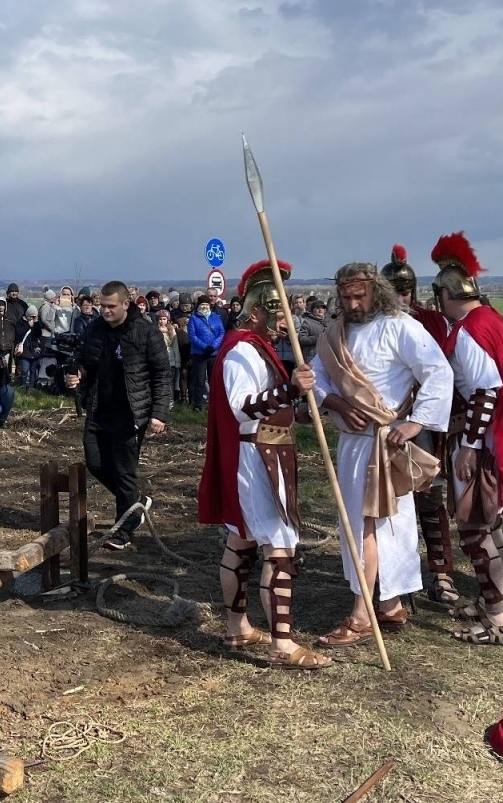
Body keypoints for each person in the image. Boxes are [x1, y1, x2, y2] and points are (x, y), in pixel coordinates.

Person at [197, 260, 331, 670]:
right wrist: (288, 389)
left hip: (263, 453)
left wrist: (295, 402)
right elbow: (243, 409)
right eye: (275, 316)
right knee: (279, 544)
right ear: (256, 312)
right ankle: (283, 644)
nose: (280, 324)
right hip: (255, 458)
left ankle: (238, 627)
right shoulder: (240, 350)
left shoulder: (255, 346)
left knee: (242, 540)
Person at [311, 261, 453, 647]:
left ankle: (364, 614)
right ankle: (388, 605)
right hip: (353, 444)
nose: (353, 304)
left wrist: (418, 423)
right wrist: (337, 404)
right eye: (346, 297)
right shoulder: (335, 334)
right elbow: (317, 377)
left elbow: (438, 372)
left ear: (376, 291)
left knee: (380, 524)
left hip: (388, 442)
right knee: (361, 523)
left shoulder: (401, 326)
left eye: (360, 296)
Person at [427, 234, 503, 646]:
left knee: (476, 527)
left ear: (446, 292)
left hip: (482, 441)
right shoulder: (490, 320)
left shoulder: (469, 330)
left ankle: (498, 618)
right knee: (489, 526)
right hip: (493, 438)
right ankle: (490, 601)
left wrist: (471, 448)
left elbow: (487, 389)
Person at [66, 281, 174, 550]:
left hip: (130, 413)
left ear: (126, 304)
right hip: (98, 409)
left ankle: (123, 531)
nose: (105, 311)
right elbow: (85, 361)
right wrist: (77, 374)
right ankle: (136, 504)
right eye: (102, 306)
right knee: (95, 463)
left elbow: (162, 374)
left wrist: (158, 414)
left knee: (125, 471)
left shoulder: (145, 332)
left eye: (110, 306)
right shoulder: (95, 330)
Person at [382, 243, 460, 605]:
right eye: (396, 290)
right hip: (388, 421)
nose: (403, 296)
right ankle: (398, 577)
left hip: (423, 422)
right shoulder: (373, 324)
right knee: (394, 503)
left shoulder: (430, 321)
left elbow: (443, 371)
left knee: (431, 498)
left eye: (407, 289)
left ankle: (441, 572)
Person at [186, 293, 225, 409]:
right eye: (202, 304)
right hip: (199, 354)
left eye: (206, 304)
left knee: (214, 380)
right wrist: (205, 347)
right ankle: (198, 404)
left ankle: (214, 403)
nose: (204, 307)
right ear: (198, 305)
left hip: (213, 353)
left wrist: (214, 346)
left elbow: (221, 333)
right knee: (199, 380)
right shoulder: (194, 318)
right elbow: (192, 336)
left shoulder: (216, 317)